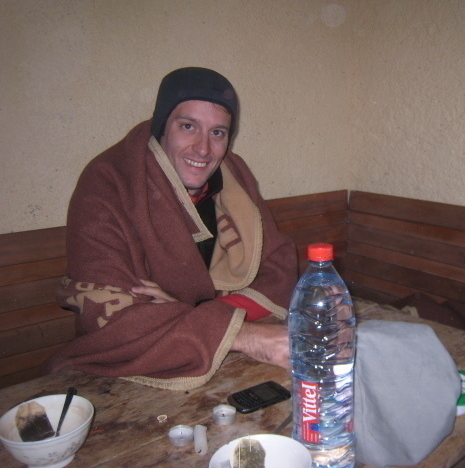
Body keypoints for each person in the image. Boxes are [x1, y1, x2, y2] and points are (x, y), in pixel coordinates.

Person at [43, 67, 298, 390]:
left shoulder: (234, 178)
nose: (203, 149)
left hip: (220, 362)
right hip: (125, 377)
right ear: (162, 126)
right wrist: (242, 334)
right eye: (188, 126)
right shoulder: (109, 182)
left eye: (218, 132)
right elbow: (112, 321)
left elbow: (279, 270)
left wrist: (190, 313)